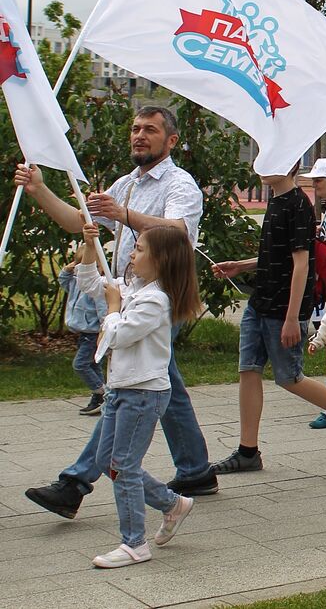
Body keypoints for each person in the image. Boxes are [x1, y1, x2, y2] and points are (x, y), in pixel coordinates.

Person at [19, 106, 217, 519]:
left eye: (150, 129)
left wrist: (121, 214)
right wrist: (39, 189)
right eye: (135, 128)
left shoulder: (181, 184)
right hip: (131, 295)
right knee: (162, 383)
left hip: (161, 298)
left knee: (127, 391)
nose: (139, 136)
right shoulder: (125, 184)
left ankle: (75, 483)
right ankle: (196, 471)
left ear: (171, 141)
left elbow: (177, 232)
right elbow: (81, 223)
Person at [211, 162, 326, 472]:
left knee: (290, 378)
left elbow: (303, 265)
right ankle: (248, 451)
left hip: (282, 309)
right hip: (259, 304)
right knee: (248, 370)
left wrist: (291, 318)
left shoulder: (298, 204)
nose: (262, 166)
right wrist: (241, 266)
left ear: (291, 166)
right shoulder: (276, 200)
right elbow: (275, 253)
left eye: (272, 160)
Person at [76, 223, 200, 568]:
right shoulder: (133, 289)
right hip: (121, 390)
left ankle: (134, 544)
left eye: (140, 249)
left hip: (143, 394)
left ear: (161, 260)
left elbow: (120, 335)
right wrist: (89, 247)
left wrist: (113, 306)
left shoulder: (156, 300)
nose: (132, 255)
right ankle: (172, 503)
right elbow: (89, 283)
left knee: (124, 467)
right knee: (106, 462)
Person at [59, 255, 106, 415]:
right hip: (83, 333)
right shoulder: (75, 283)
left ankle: (103, 392)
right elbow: (63, 281)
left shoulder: (97, 288)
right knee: (94, 366)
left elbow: (103, 312)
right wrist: (68, 268)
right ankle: (99, 399)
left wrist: (103, 331)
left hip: (93, 334)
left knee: (80, 365)